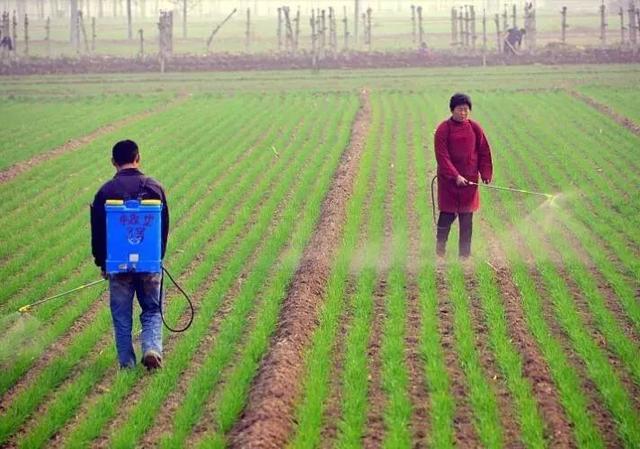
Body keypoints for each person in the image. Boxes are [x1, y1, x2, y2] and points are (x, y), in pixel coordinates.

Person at [90, 140, 169, 370]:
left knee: (122, 317)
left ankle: (127, 365)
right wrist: (156, 258)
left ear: (113, 162)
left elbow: (98, 234)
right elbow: (163, 229)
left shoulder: (105, 192)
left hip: (118, 264)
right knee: (152, 310)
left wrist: (102, 263)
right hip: (150, 263)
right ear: (138, 158)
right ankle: (152, 348)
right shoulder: (155, 187)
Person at [434, 93, 493, 259]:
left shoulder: (475, 128)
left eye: (466, 110)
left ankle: (464, 256)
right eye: (460, 109)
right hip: (449, 182)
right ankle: (440, 249)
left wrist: (486, 173)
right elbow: (442, 157)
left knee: (467, 219)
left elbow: (484, 152)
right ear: (452, 110)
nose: (463, 113)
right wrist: (455, 176)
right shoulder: (443, 130)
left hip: (470, 182)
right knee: (447, 215)